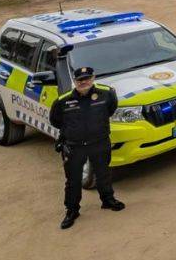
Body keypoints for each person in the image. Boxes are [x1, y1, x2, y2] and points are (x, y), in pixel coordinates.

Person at [49, 66, 125, 230]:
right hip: (75, 147)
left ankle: (108, 200)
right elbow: (55, 120)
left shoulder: (106, 93)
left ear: (93, 78)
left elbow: (111, 109)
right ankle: (72, 211)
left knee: (104, 173)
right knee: (73, 181)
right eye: (80, 80)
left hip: (100, 143)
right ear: (74, 81)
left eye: (87, 78)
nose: (84, 82)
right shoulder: (63, 100)